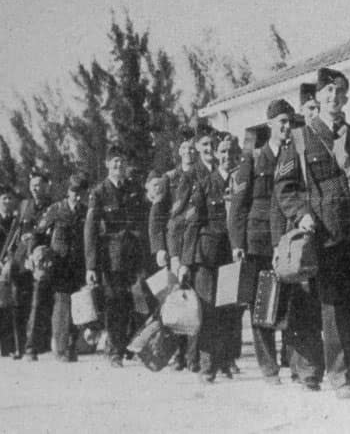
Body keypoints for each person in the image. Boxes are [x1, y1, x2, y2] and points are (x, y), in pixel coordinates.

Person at [275, 67, 350, 398]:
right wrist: (301, 215)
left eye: (340, 92)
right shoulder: (300, 139)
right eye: (327, 91)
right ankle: (340, 375)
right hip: (325, 232)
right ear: (317, 97)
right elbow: (285, 188)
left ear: (345, 98)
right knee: (332, 304)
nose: (334, 97)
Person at [230, 99, 324, 388]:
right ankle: (269, 369)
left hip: (291, 237)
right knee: (264, 305)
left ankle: (298, 368)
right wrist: (237, 242)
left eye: (288, 121)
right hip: (258, 240)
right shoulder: (254, 158)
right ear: (269, 123)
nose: (285, 127)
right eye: (280, 121)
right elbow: (238, 204)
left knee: (296, 304)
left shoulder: (296, 150)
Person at [181, 130, 239, 383]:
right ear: (216, 154)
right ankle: (207, 366)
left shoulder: (241, 183)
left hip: (232, 257)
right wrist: (185, 262)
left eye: (231, 152)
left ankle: (226, 361)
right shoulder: (205, 185)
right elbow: (192, 224)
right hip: (206, 257)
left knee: (229, 311)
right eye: (223, 152)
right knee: (207, 310)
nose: (227, 156)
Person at [84, 144, 148, 368]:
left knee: (135, 302)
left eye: (121, 161)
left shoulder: (134, 189)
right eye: (114, 161)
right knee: (114, 304)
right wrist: (91, 266)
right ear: (107, 165)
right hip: (111, 258)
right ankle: (114, 351)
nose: (119, 165)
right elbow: (91, 230)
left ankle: (130, 346)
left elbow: (143, 219)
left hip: (134, 255)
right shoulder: (99, 193)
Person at [149, 127, 199, 372]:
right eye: (184, 148)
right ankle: (177, 353)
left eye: (192, 147)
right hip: (175, 243)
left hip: (197, 243)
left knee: (196, 299)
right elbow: (157, 216)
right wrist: (159, 248)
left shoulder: (202, 175)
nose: (189, 152)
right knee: (175, 300)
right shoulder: (169, 179)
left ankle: (194, 356)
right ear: (178, 152)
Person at [41, 174, 88, 362]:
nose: (77, 196)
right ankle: (61, 348)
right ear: (68, 191)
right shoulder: (56, 209)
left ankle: (72, 346)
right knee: (61, 305)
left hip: (79, 263)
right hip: (59, 264)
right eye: (74, 191)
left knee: (77, 304)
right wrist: (39, 256)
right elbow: (40, 233)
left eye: (80, 193)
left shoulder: (86, 211)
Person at [13, 171, 53, 361]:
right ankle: (17, 345)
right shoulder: (24, 205)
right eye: (33, 185)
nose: (36, 188)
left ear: (47, 186)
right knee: (18, 301)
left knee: (38, 302)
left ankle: (32, 346)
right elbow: (17, 230)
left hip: (42, 258)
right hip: (22, 259)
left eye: (39, 185)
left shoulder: (53, 206)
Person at [0, 185, 19, 357]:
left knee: (7, 306)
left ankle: (8, 347)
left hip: (9, 267)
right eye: (4, 198)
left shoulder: (15, 222)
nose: (7, 201)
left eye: (9, 198)